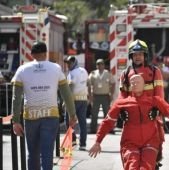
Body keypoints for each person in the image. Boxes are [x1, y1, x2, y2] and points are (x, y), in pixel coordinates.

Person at [89, 74, 169, 170]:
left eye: (138, 82)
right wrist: (97, 142)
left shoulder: (155, 101)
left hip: (150, 142)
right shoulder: (121, 103)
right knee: (132, 167)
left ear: (144, 86)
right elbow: (107, 122)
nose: (135, 84)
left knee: (145, 167)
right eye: (132, 82)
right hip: (129, 143)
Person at [11, 41, 77, 170]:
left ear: (32, 54)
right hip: (50, 117)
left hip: (30, 118)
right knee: (47, 154)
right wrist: (72, 115)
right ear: (45, 53)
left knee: (32, 154)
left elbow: (16, 98)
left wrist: (15, 121)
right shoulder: (56, 68)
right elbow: (66, 94)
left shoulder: (22, 70)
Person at [118, 39, 165, 168]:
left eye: (140, 54)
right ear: (131, 56)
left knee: (154, 149)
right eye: (135, 54)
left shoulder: (155, 72)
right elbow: (122, 96)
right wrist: (121, 110)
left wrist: (157, 109)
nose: (137, 57)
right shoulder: (125, 74)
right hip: (132, 119)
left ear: (145, 56)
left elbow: (159, 94)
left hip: (151, 117)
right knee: (129, 153)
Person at [65, 55, 89, 150]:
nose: (68, 65)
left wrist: (66, 101)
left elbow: (70, 87)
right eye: (67, 63)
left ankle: (73, 141)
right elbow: (87, 82)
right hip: (83, 99)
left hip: (73, 100)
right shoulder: (84, 71)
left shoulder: (72, 73)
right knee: (82, 122)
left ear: (73, 63)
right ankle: (83, 144)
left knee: (69, 121)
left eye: (69, 63)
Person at [88, 58, 115, 133]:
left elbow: (113, 83)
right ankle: (93, 129)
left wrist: (111, 94)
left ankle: (109, 129)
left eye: (101, 64)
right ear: (96, 65)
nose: (100, 66)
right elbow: (89, 85)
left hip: (105, 96)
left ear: (104, 65)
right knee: (94, 113)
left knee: (107, 114)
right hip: (96, 96)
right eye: (98, 64)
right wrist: (90, 95)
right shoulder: (93, 74)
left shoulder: (107, 73)